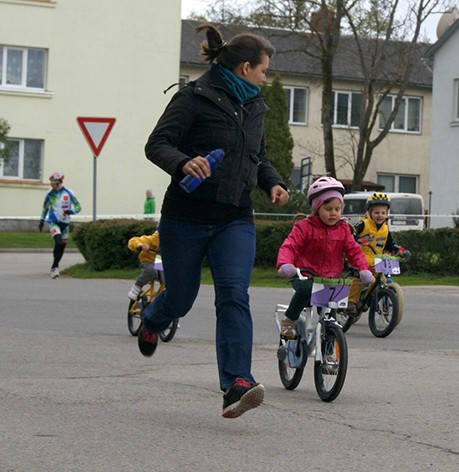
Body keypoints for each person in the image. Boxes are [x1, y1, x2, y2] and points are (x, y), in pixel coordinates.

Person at [140, 23, 289, 419]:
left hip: (234, 217)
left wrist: (272, 182)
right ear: (244, 67)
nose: (265, 76)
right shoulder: (193, 98)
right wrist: (183, 161)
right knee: (182, 298)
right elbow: (157, 144)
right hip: (185, 217)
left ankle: (236, 383)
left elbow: (258, 156)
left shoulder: (255, 106)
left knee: (233, 295)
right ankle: (152, 318)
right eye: (263, 69)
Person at [275, 176, 373, 339]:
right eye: (328, 209)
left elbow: (354, 251)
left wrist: (363, 269)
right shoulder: (304, 227)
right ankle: (289, 320)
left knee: (331, 319)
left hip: (330, 279)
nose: (333, 213)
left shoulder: (343, 230)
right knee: (306, 290)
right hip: (305, 276)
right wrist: (285, 264)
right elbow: (290, 245)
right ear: (317, 208)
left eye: (337, 208)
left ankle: (328, 354)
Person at [345, 192, 410, 318]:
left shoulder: (385, 229)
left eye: (383, 213)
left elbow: (391, 245)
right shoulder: (363, 224)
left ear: (387, 214)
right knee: (358, 279)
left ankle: (370, 300)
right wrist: (356, 239)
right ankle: (351, 302)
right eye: (376, 212)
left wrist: (401, 251)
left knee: (382, 281)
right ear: (369, 212)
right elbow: (352, 234)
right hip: (360, 259)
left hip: (376, 261)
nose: (380, 215)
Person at [39, 172, 81, 279]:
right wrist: (41, 220)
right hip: (53, 222)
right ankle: (55, 267)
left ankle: (55, 264)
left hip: (65, 224)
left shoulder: (69, 193)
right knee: (58, 241)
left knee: (61, 246)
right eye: (51, 183)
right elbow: (45, 208)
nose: (52, 186)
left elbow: (78, 207)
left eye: (53, 183)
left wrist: (71, 212)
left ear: (59, 183)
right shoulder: (50, 194)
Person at [127, 230, 161, 301]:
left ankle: (163, 297)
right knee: (151, 271)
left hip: (160, 261)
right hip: (149, 260)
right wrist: (140, 245)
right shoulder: (153, 239)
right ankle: (136, 287)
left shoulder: (173, 242)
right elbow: (133, 241)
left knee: (167, 278)